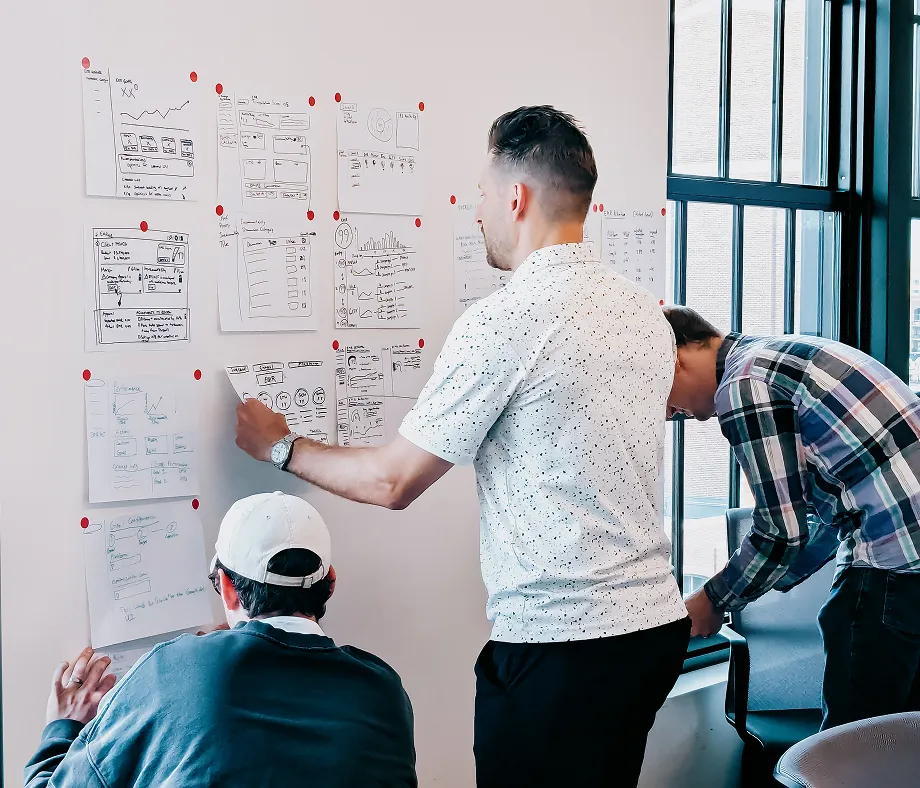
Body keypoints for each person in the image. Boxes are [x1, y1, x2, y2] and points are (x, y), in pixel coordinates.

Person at [235, 105, 690, 787]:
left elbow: (395, 481)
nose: (476, 211)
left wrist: (281, 447)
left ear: (516, 197)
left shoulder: (506, 320)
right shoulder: (643, 313)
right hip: (651, 627)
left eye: (481, 194)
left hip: (565, 641)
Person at [24, 492, 417, 787]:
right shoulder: (382, 689)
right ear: (330, 583)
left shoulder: (172, 671)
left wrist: (63, 729)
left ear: (227, 587)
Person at [664, 305, 920, 730]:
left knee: (851, 750)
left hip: (892, 567)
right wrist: (749, 590)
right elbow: (813, 520)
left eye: (658, 394)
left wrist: (712, 600)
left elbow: (781, 533)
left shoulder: (743, 385)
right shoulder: (781, 353)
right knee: (903, 747)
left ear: (674, 357)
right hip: (911, 563)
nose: (670, 413)